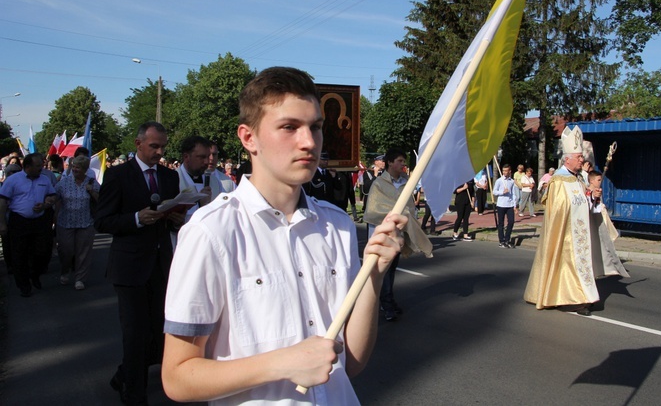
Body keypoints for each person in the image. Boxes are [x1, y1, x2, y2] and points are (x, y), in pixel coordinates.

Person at [161, 67, 404, 404]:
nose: (309, 142)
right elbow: (177, 377)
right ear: (249, 138)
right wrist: (281, 363)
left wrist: (373, 276)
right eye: (289, 127)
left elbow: (351, 364)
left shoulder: (337, 225)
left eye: (316, 127)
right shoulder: (210, 231)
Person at [94, 121, 183, 405]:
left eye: (162, 147)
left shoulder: (169, 178)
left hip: (160, 264)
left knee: (158, 330)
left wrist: (175, 219)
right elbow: (103, 221)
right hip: (129, 266)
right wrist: (135, 218)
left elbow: (171, 212)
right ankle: (134, 393)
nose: (159, 152)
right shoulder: (119, 175)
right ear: (138, 144)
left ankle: (124, 375)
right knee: (134, 333)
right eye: (154, 146)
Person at [524, 126, 629, 317]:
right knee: (568, 266)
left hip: (579, 233)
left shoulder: (577, 179)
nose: (582, 160)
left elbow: (583, 204)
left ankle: (581, 297)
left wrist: (593, 196)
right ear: (568, 159)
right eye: (579, 157)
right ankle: (571, 299)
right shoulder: (558, 181)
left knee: (580, 266)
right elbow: (558, 210)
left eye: (582, 157)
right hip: (565, 234)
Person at [363, 147, 433, 322]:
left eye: (404, 161)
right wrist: (396, 215)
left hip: (398, 232)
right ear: (390, 163)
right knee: (382, 269)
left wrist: (407, 216)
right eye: (400, 161)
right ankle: (385, 304)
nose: (403, 164)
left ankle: (388, 299)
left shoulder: (405, 182)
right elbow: (374, 209)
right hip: (381, 232)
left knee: (392, 268)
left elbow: (409, 206)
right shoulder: (379, 184)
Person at [0, 153, 57, 297]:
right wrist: (2, 223)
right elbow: (2, 201)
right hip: (19, 221)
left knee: (43, 251)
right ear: (27, 166)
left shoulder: (44, 179)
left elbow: (52, 195)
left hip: (39, 221)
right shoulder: (13, 180)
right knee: (19, 254)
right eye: (38, 166)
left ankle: (35, 274)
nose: (41, 168)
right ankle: (24, 285)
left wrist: (46, 203)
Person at [54, 155, 99, 290]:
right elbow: (55, 199)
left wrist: (91, 191)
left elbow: (101, 200)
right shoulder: (64, 183)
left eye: (78, 168)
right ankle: (65, 270)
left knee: (83, 252)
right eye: (73, 167)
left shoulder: (92, 182)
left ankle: (80, 278)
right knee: (66, 250)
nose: (74, 170)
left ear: (85, 169)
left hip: (86, 222)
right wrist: (53, 216)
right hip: (65, 222)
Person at [493, 164, 517, 248]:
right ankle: (501, 240)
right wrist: (502, 192)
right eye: (503, 171)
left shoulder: (512, 181)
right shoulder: (499, 181)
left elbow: (513, 193)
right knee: (501, 223)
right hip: (501, 204)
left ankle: (507, 239)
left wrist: (515, 205)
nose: (504, 172)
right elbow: (494, 192)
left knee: (511, 222)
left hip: (509, 204)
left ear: (510, 171)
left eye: (506, 171)